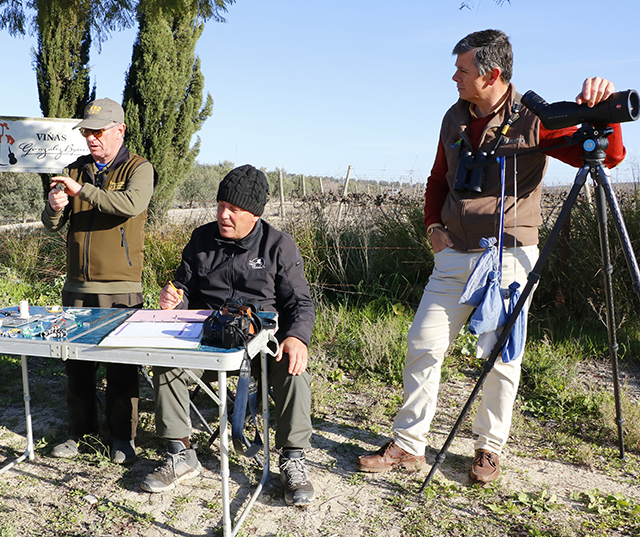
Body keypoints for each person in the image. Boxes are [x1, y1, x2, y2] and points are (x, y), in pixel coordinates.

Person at [356, 29, 626, 484]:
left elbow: (606, 156)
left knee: (501, 357)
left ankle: (488, 449)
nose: (454, 77)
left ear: (492, 74)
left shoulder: (535, 117)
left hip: (509, 258)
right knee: (423, 343)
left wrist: (605, 109)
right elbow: (439, 176)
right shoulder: (454, 117)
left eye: (462, 70)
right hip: (454, 255)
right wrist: (433, 227)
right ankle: (408, 444)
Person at [141, 164, 317, 506]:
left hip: (260, 345)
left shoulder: (279, 245)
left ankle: (292, 458)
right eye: (221, 205)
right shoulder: (201, 239)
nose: (224, 215)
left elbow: (300, 302)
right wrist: (174, 298)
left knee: (295, 368)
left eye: (234, 210)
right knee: (166, 362)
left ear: (254, 214)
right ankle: (180, 452)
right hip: (207, 340)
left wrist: (297, 337)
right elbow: (185, 289)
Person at [41, 97, 155, 464]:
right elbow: (52, 225)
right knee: (76, 364)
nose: (91, 138)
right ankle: (79, 433)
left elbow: (128, 205)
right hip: (76, 285)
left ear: (120, 130)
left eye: (98, 131)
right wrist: (54, 207)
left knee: (122, 368)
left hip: (120, 288)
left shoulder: (140, 168)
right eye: (87, 132)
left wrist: (81, 192)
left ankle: (122, 438)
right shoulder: (74, 170)